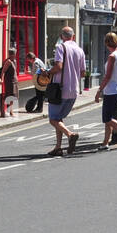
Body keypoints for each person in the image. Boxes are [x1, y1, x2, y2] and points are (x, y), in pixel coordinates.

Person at [45, 27, 86, 156]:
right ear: (73, 36)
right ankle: (58, 147)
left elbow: (58, 66)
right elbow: (83, 73)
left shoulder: (61, 48)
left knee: (53, 119)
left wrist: (47, 72)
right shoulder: (80, 51)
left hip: (60, 89)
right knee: (59, 118)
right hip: (74, 90)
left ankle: (70, 134)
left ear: (62, 36)